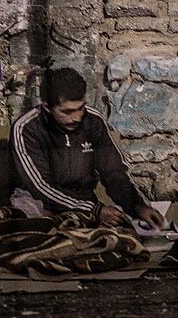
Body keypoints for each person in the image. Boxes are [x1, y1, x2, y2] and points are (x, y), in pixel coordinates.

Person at [10, 67, 165, 228]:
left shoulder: (93, 121)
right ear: (47, 107)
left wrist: (138, 206)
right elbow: (40, 186)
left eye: (81, 108)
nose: (77, 117)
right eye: (67, 112)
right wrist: (94, 210)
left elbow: (114, 172)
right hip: (40, 203)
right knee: (33, 223)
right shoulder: (26, 128)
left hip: (85, 204)